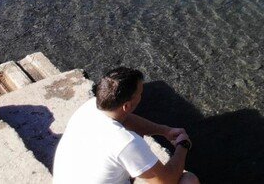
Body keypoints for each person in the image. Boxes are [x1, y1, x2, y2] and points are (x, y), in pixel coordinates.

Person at [53, 66, 198, 184]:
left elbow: (128, 120)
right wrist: (183, 145)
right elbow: (167, 181)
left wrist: (164, 131)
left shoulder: (90, 107)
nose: (142, 96)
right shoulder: (125, 142)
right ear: (126, 105)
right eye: (140, 93)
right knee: (188, 180)